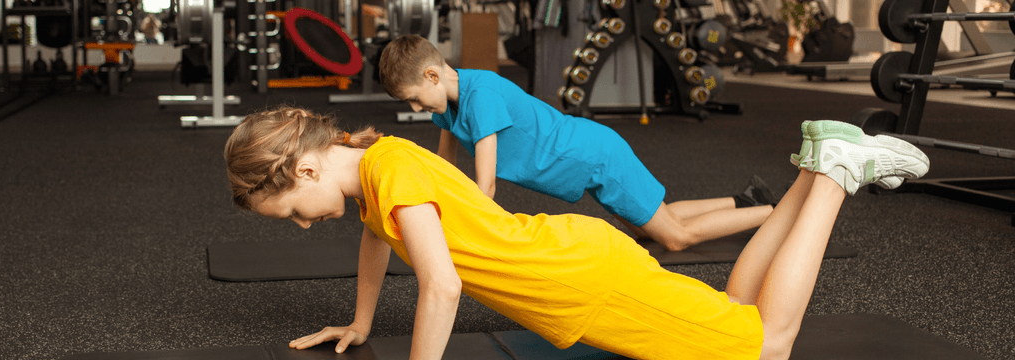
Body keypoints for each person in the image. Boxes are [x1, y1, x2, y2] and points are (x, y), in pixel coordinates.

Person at [223, 106, 930, 360]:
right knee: (738, 318)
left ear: (302, 171)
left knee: (766, 346)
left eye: (287, 211)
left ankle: (836, 176)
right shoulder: (380, 168)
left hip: (583, 286)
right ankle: (813, 168)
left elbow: (441, 286)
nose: (301, 224)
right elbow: (377, 241)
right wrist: (359, 320)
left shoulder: (393, 174)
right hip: (578, 264)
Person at [378, 35, 776, 251]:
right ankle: (745, 199)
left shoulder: (481, 97)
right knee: (654, 223)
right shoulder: (447, 105)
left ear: (432, 76)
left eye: (414, 98)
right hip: (586, 164)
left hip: (596, 157)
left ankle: (774, 212)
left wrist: (472, 235)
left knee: (674, 238)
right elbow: (444, 166)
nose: (415, 108)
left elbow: (485, 187)